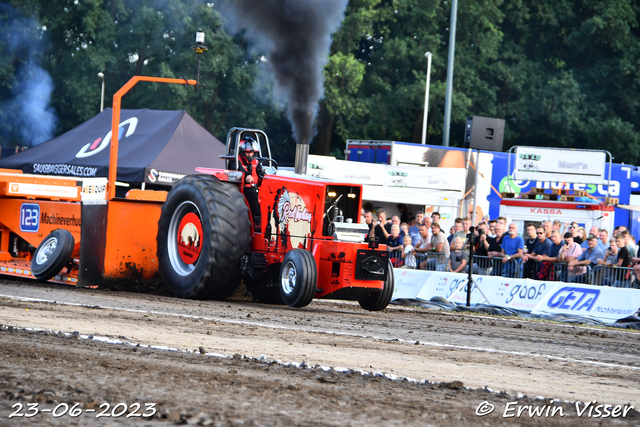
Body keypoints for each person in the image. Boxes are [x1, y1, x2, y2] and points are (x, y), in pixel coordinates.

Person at [233, 136, 265, 231]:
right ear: (242, 152)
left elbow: (261, 174)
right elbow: (240, 170)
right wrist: (247, 175)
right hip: (242, 189)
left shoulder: (257, 162)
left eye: (252, 152)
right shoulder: (236, 161)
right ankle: (257, 220)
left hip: (255, 186)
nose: (250, 155)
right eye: (248, 152)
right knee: (252, 191)